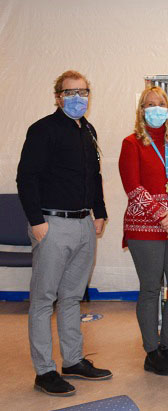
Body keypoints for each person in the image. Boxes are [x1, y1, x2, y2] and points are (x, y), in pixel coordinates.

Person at [17, 70, 112, 397]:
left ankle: (73, 361)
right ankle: (45, 371)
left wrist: (99, 212)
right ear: (57, 96)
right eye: (70, 93)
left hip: (84, 224)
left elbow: (95, 175)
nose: (77, 98)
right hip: (52, 225)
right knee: (43, 300)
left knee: (72, 297)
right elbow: (26, 178)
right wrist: (36, 221)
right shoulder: (43, 130)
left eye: (82, 92)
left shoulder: (87, 130)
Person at [118, 86, 168, 376]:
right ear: (141, 110)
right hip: (143, 228)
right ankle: (151, 353)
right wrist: (162, 214)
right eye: (149, 104)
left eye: (160, 104)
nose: (155, 109)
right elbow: (133, 186)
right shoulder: (132, 144)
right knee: (151, 289)